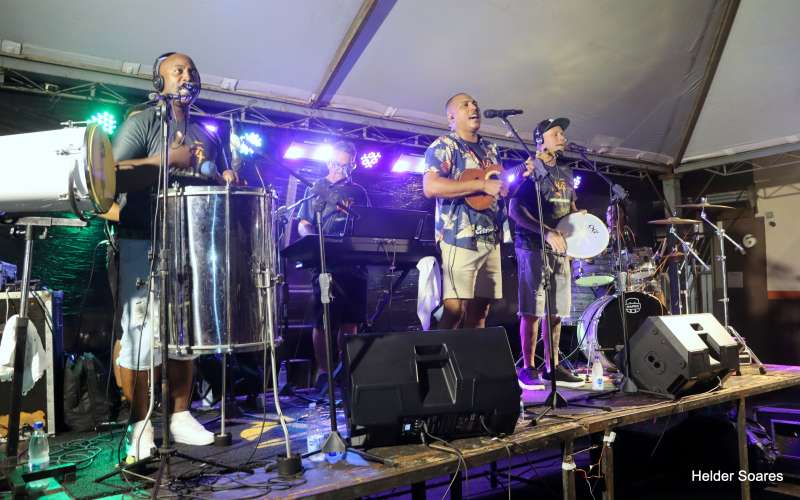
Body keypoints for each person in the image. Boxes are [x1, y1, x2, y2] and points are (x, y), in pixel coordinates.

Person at [101, 52, 237, 460]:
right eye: (178, 70)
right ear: (159, 82)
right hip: (143, 240)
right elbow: (113, 174)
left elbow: (209, 180)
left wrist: (224, 176)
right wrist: (167, 160)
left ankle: (180, 416)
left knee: (184, 337)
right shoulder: (143, 122)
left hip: (189, 243)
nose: (187, 75)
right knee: (141, 336)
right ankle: (141, 425)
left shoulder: (203, 132)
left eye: (191, 70)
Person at [422, 93, 510, 329]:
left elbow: (497, 186)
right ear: (451, 117)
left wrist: (510, 183)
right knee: (455, 309)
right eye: (466, 105)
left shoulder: (491, 148)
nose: (474, 107)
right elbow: (431, 187)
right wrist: (481, 185)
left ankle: (472, 354)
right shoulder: (444, 146)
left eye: (475, 104)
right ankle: (439, 353)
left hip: (490, 237)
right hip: (459, 237)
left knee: (481, 310)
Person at [510, 117, 584, 389]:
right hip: (532, 246)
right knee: (532, 310)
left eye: (563, 133)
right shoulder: (531, 170)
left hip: (560, 248)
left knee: (556, 311)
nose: (563, 137)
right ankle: (528, 367)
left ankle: (552, 366)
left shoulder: (566, 172)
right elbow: (514, 210)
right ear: (541, 140)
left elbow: (570, 208)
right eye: (556, 133)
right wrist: (546, 232)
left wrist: (580, 225)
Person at [296, 140, 368, 390]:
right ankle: (324, 372)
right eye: (336, 164)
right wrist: (312, 239)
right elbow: (303, 223)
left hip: (353, 264)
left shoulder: (359, 192)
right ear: (328, 162)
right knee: (323, 320)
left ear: (353, 166)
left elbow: (367, 223)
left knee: (350, 321)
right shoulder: (315, 189)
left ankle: (346, 371)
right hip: (325, 262)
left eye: (345, 166)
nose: (340, 170)